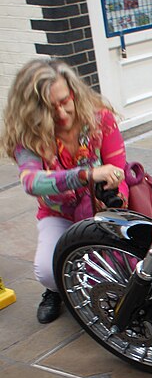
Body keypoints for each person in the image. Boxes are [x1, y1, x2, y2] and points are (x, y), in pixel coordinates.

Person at [1, 59, 128, 324]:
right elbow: (31, 181)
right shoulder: (29, 135)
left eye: (64, 101)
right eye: (49, 108)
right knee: (48, 272)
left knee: (119, 267)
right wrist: (87, 175)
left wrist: (118, 197)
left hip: (99, 210)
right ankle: (54, 290)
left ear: (74, 92)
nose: (60, 114)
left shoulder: (100, 119)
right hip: (57, 212)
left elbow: (118, 169)